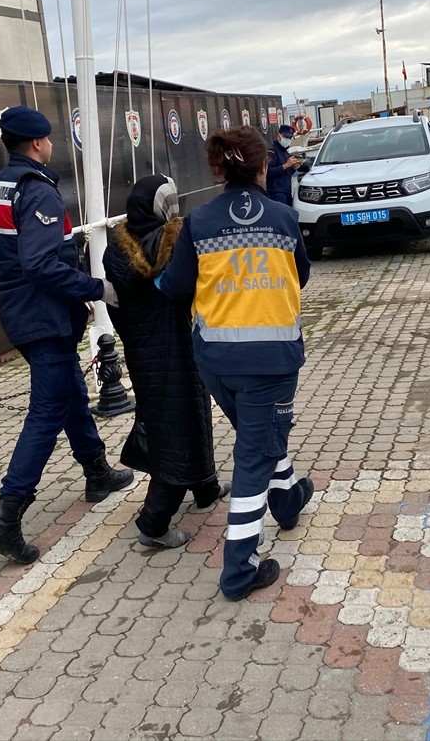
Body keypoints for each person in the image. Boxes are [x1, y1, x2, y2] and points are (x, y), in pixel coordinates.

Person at [156, 126, 315, 601]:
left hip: (217, 363)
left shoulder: (198, 222)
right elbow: (300, 276)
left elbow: (174, 286)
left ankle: (287, 502)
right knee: (253, 459)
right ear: (264, 166)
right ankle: (239, 570)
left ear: (219, 169)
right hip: (271, 362)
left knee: (258, 436)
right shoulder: (284, 218)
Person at [0, 105, 134, 564]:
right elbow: (41, 263)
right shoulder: (37, 190)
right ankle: (6, 517)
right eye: (48, 139)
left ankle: (97, 472)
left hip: (21, 311)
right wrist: (96, 288)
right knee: (47, 412)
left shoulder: (0, 184)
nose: (50, 145)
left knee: (68, 394)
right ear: (38, 143)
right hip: (44, 316)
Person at [103, 174, 230, 549]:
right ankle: (154, 524)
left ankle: (205, 486)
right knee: (179, 432)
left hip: (143, 353)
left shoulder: (116, 249)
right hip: (177, 347)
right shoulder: (175, 244)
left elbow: (120, 308)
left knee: (176, 420)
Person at [265, 124, 302, 205]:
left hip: (287, 191)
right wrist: (286, 165)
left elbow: (286, 172)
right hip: (276, 193)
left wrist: (293, 168)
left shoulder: (285, 152)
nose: (288, 140)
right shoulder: (271, 151)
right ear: (279, 135)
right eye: (286, 137)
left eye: (290, 138)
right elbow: (268, 172)